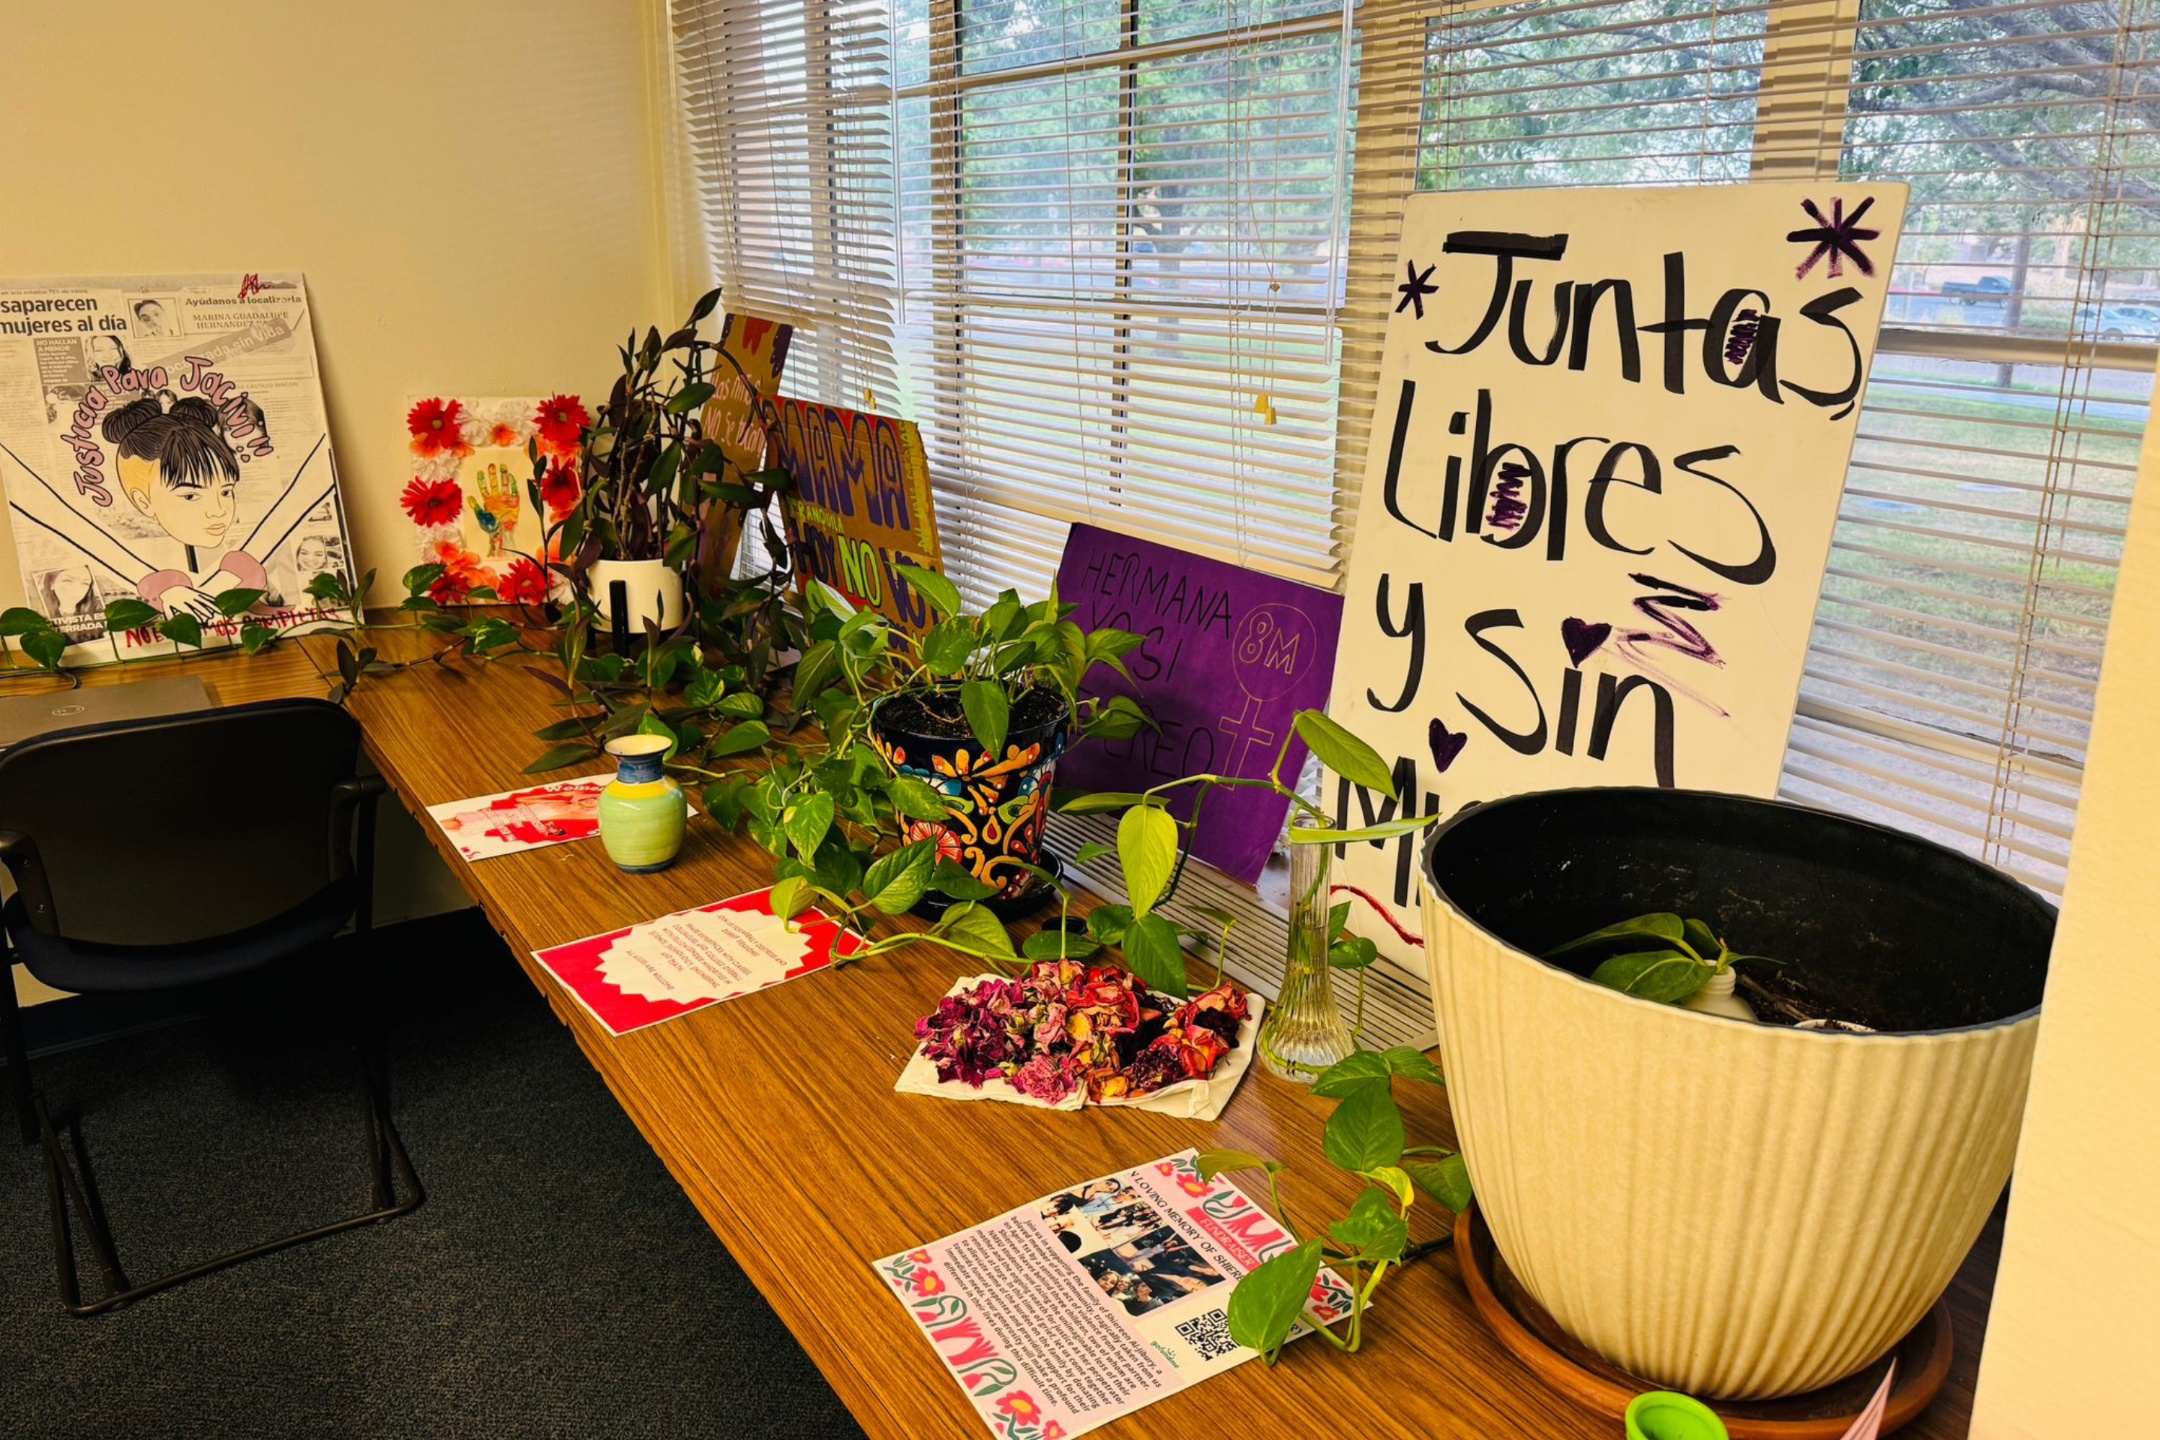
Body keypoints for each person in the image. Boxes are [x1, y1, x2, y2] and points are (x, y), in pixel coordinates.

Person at [101, 395, 267, 618]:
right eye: (190, 495)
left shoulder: (242, 559)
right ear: (144, 501)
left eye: (226, 491)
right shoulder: (137, 560)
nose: (218, 510)